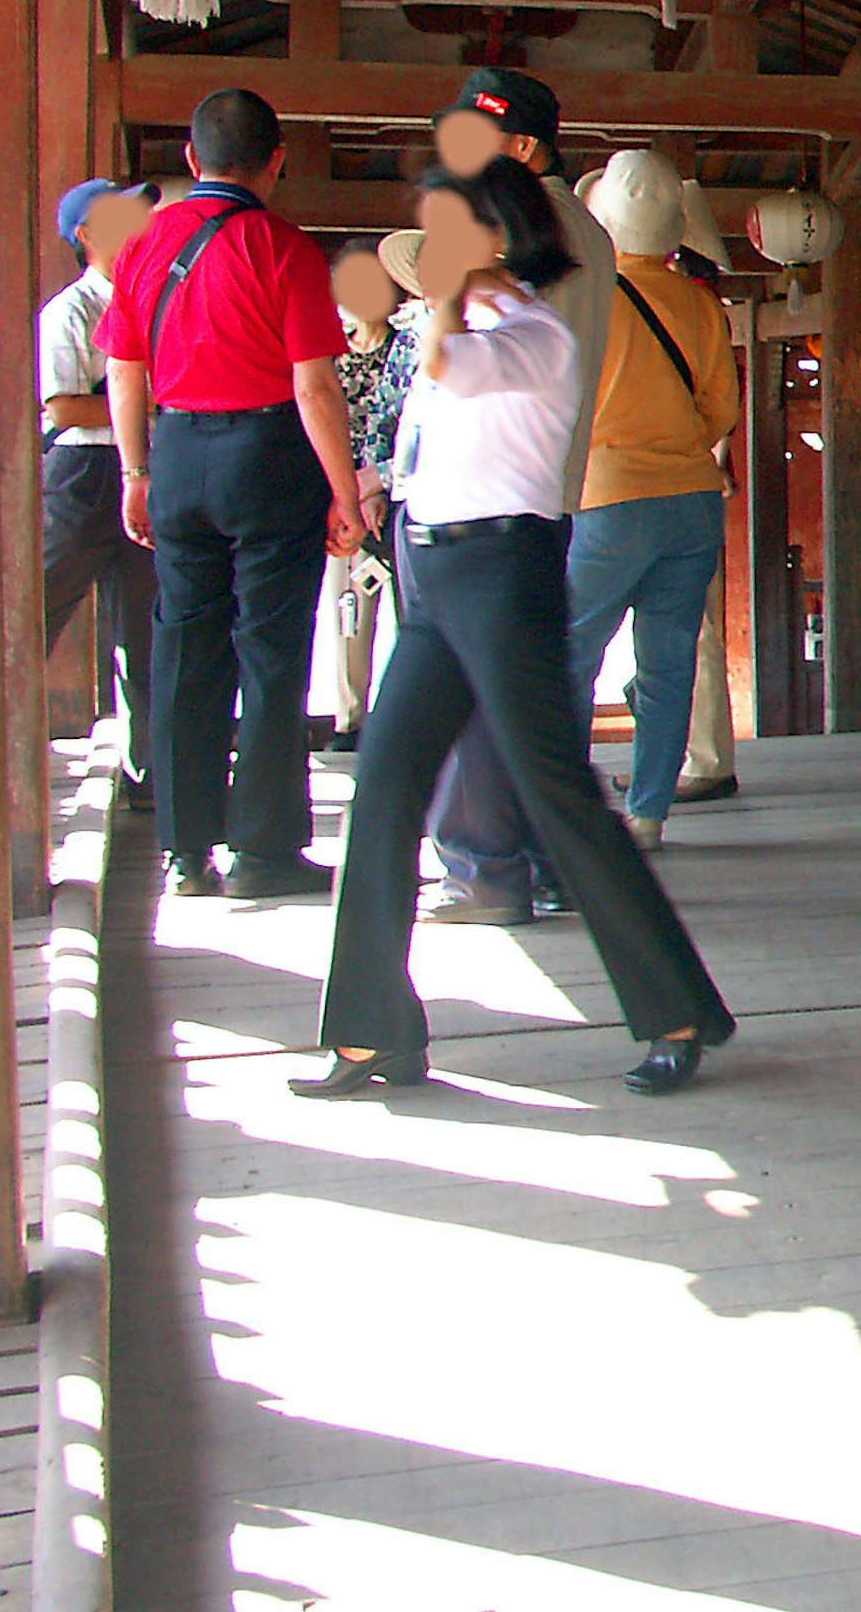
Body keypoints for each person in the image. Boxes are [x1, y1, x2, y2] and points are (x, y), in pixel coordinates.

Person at [299, 154, 734, 1102]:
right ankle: (371, 1032)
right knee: (384, 785)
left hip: (504, 573)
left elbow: (451, 364)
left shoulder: (542, 334)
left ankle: (675, 1010)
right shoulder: (452, 328)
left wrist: (453, 294)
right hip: (438, 570)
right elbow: (424, 438)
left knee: (556, 794)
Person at [102, 90, 364, 901]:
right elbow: (315, 387)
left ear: (192, 159)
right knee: (273, 651)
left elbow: (124, 368)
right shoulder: (285, 249)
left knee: (184, 651)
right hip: (266, 455)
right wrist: (344, 490)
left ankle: (185, 852)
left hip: (177, 453)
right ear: (275, 161)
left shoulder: (146, 244)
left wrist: (135, 471)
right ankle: (264, 850)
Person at [419, 66, 621, 926]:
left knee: (480, 698)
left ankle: (485, 865)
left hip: (490, 503)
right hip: (543, 489)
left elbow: (418, 279)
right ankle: (537, 860)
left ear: (526, 151)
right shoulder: (590, 235)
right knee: (535, 690)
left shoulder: (531, 246)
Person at [569, 149, 739, 850]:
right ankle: (648, 814)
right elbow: (719, 413)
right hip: (691, 501)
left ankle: (566, 803)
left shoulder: (587, 298)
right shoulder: (700, 304)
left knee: (568, 656)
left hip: (607, 498)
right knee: (669, 662)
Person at [39, 178, 161, 806]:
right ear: (85, 236)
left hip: (145, 471)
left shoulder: (154, 300)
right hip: (84, 476)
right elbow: (62, 407)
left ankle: (150, 777)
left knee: (147, 631)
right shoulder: (72, 311)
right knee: (37, 610)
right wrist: (144, 403)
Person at [317, 236, 407, 754]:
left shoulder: (409, 347)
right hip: (342, 497)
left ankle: (399, 716)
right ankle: (349, 717)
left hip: (400, 496)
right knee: (350, 612)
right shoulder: (327, 353)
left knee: (408, 613)